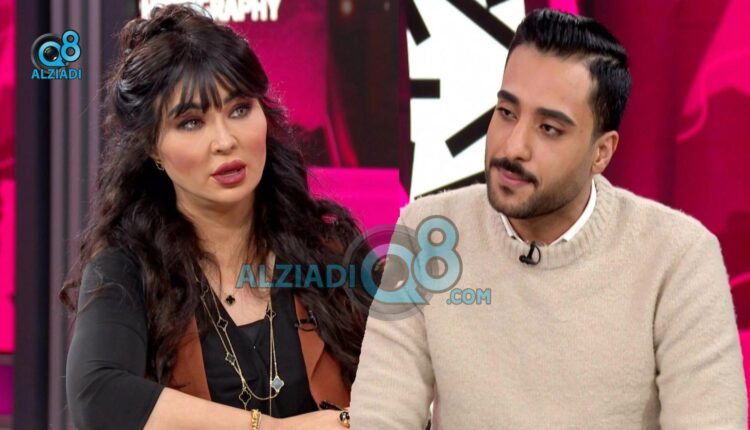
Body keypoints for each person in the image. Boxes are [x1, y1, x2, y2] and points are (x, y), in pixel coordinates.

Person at [349, 8, 747, 429]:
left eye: (549, 129)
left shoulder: (679, 257)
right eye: (507, 112)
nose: (513, 146)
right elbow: (381, 415)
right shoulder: (428, 231)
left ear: (602, 153)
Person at [61, 5, 371, 429]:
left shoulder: (330, 251)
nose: (225, 141)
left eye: (239, 109)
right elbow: (97, 396)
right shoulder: (129, 268)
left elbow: (408, 388)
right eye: (191, 123)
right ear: (152, 147)